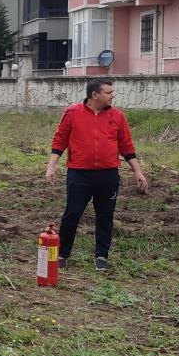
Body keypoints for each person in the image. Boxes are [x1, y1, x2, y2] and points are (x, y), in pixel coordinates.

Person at [44, 78, 150, 271]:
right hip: (79, 174)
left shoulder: (118, 116)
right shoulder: (72, 113)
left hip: (108, 175)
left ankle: (101, 256)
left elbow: (126, 146)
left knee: (105, 216)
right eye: (108, 92)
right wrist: (51, 166)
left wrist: (137, 171)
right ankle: (62, 255)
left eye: (112, 92)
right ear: (95, 95)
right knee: (72, 214)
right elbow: (60, 140)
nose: (113, 96)